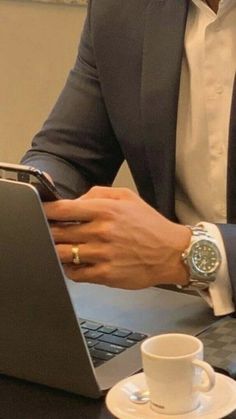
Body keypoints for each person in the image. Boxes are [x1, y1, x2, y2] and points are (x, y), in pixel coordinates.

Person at [21, 0, 236, 316]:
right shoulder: (122, 8)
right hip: (183, 318)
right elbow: (67, 158)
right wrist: (27, 207)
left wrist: (184, 251)